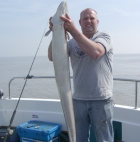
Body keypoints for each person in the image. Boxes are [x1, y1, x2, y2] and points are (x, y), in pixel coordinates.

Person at [48, 8, 114, 142]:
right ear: (79, 22)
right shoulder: (72, 43)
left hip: (100, 99)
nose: (88, 21)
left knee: (104, 139)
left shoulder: (104, 37)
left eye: (92, 18)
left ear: (97, 21)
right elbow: (52, 57)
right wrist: (56, 31)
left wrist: (72, 30)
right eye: (85, 18)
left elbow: (96, 52)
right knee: (80, 138)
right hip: (78, 100)